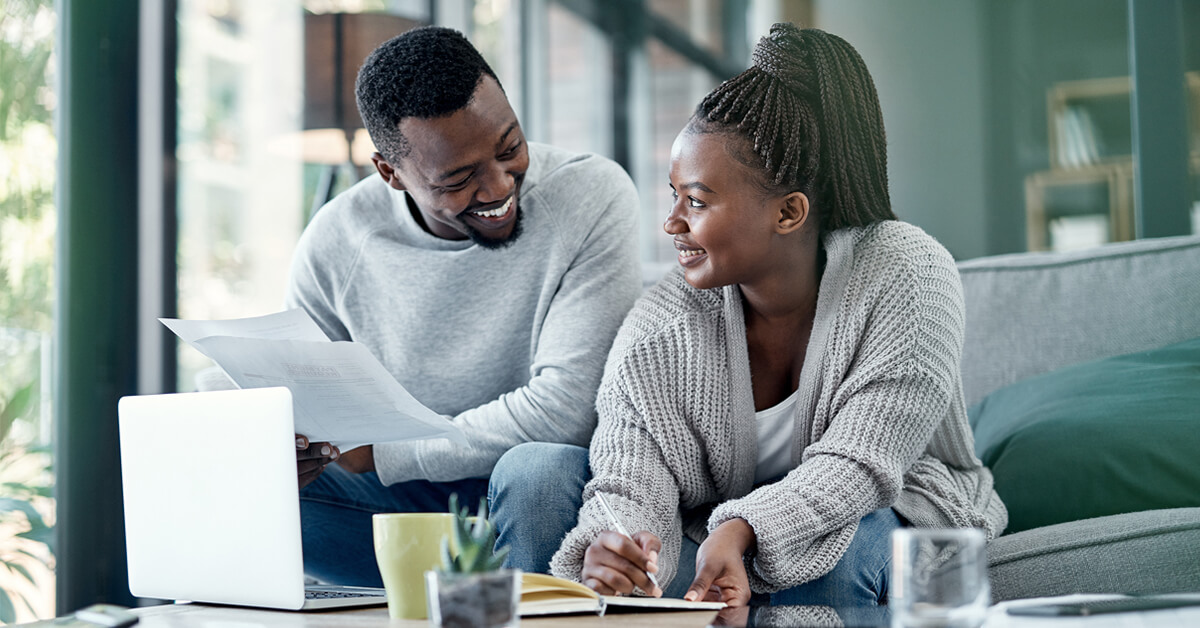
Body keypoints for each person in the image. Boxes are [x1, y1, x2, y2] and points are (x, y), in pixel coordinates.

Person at [491, 23, 1006, 607]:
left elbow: (861, 463)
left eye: (697, 200)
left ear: (788, 213)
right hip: (710, 539)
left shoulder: (907, 274)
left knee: (850, 553)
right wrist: (620, 546)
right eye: (673, 195)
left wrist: (740, 531)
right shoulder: (662, 323)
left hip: (879, 511)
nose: (672, 223)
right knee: (533, 472)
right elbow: (631, 469)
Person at [289, 25, 642, 587]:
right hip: (409, 511)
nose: (499, 186)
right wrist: (294, 444)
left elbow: (568, 412)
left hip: (539, 501)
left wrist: (383, 450)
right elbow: (323, 419)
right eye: (458, 178)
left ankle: (507, 602)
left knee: (539, 469)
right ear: (390, 173)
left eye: (510, 148)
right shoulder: (334, 243)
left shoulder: (591, 196)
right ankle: (454, 590)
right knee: (261, 483)